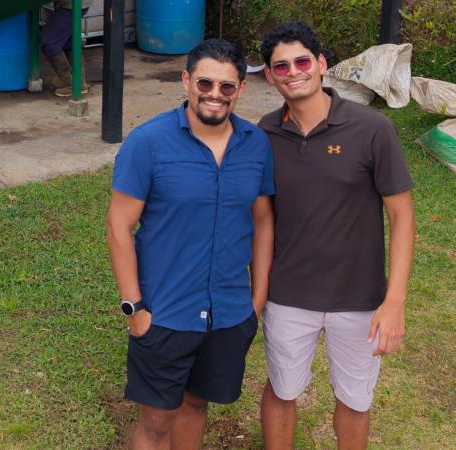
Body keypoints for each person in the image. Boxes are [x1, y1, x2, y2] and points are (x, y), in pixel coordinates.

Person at [106, 38, 275, 450]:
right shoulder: (148, 143)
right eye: (205, 83)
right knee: (157, 419)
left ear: (240, 90)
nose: (214, 95)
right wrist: (134, 309)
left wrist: (257, 299)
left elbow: (264, 218)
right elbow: (118, 226)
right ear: (186, 81)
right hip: (164, 312)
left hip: (228, 313)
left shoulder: (256, 144)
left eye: (226, 87)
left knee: (196, 403)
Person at [257, 22, 416, 450]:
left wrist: (394, 302)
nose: (293, 72)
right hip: (287, 294)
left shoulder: (371, 129)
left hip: (359, 299)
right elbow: (261, 219)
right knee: (281, 390)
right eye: (281, 66)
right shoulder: (263, 134)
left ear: (322, 64)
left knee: (354, 401)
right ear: (270, 76)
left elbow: (402, 217)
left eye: (302, 61)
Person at [41, 0, 92, 97]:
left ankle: (70, 83)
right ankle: (80, 81)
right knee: (69, 42)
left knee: (49, 42)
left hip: (73, 5)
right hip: (70, 5)